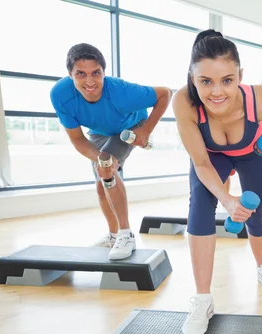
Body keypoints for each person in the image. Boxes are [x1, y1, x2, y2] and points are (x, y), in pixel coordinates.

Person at [172, 29, 262, 334]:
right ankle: (203, 300)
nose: (217, 92)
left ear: (240, 76)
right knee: (200, 202)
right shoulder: (183, 101)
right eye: (205, 81)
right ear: (192, 79)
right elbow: (201, 163)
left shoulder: (260, 100)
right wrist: (227, 199)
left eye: (227, 80)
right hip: (212, 157)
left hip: (253, 153)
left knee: (256, 214)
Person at [49, 43, 172, 260]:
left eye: (96, 73)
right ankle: (114, 236)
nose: (90, 81)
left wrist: (146, 130)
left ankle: (126, 235)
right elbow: (77, 139)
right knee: (101, 182)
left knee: (108, 172)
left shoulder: (122, 92)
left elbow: (165, 94)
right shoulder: (60, 94)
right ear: (70, 75)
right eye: (81, 74)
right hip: (98, 131)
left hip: (129, 126)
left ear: (104, 72)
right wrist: (101, 159)